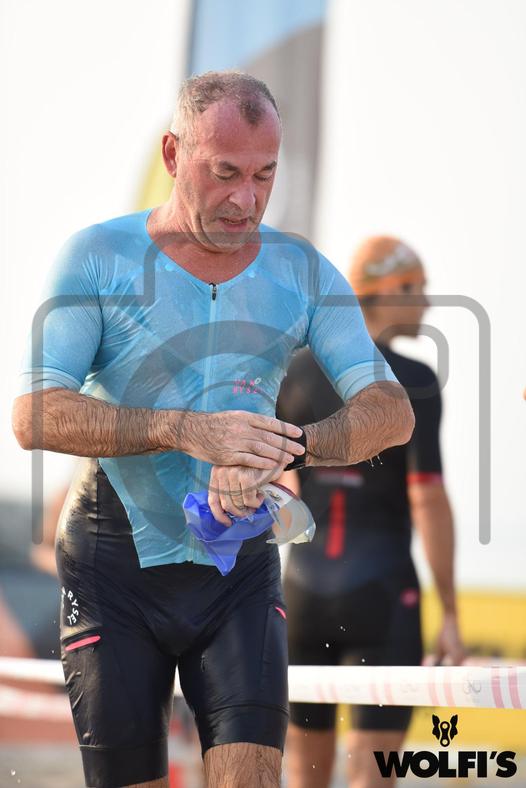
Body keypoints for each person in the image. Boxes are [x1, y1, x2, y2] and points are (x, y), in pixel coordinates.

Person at [12, 72, 414, 788]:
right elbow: (34, 413)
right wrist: (184, 430)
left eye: (265, 175)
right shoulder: (98, 258)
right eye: (225, 173)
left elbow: (391, 409)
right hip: (112, 570)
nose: (247, 200)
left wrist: (285, 448)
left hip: (237, 572)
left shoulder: (302, 271)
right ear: (173, 155)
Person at [277, 235, 465, 788]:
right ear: (387, 292)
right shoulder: (415, 380)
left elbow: (278, 488)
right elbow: (427, 498)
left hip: (301, 594)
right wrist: (450, 612)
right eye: (418, 288)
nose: (426, 302)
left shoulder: (294, 371)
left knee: (304, 777)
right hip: (382, 596)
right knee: (373, 779)